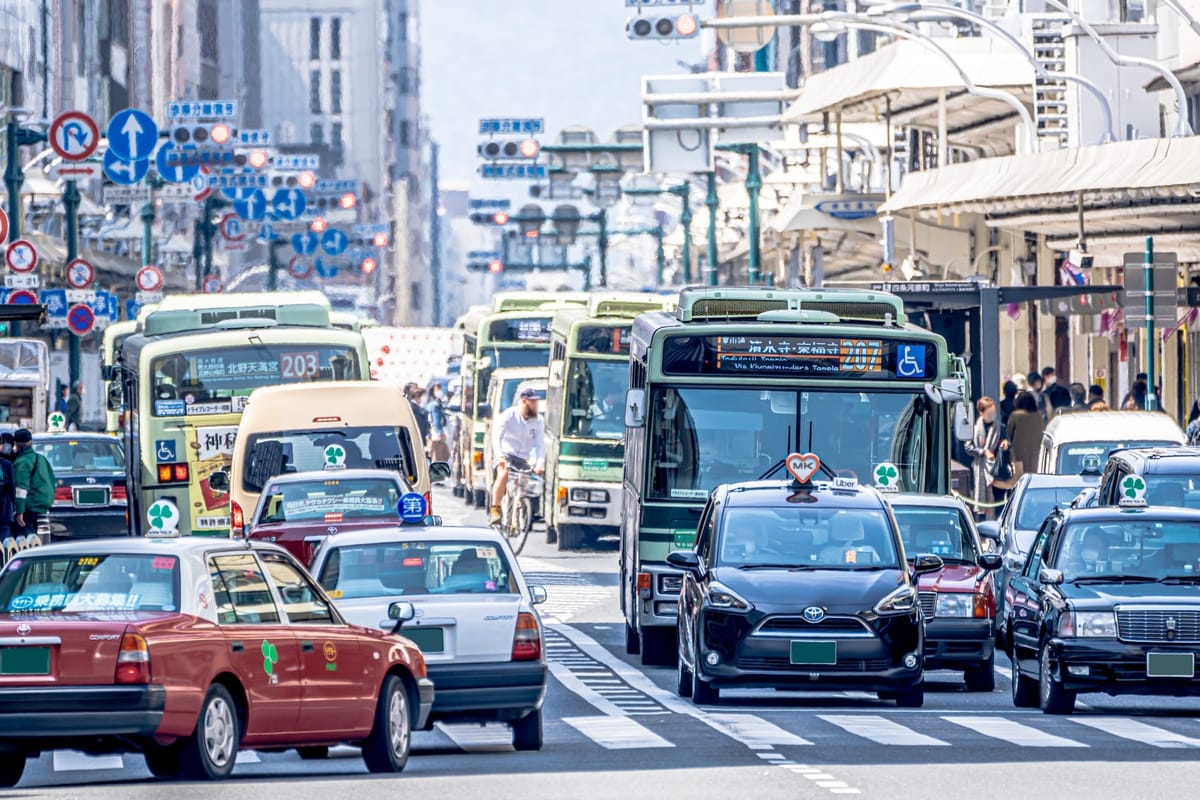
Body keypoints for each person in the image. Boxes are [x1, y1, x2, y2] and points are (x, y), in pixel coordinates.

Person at [489, 387, 545, 525]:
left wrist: (539, 464)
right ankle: (495, 509)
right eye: (532, 402)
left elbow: (540, 445)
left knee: (522, 488)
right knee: (503, 474)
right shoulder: (509, 415)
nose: (535, 405)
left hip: (523, 458)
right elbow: (496, 437)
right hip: (505, 454)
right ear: (524, 402)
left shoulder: (538, 420)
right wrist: (500, 456)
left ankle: (519, 512)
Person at [963, 397, 1008, 520]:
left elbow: (1007, 440)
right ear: (981, 413)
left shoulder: (1001, 427)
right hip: (980, 468)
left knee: (998, 501)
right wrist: (983, 452)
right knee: (980, 501)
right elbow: (968, 447)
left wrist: (1005, 443)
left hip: (996, 470)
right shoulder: (974, 428)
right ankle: (982, 532)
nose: (993, 415)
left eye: (994, 412)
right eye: (989, 413)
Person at [11, 429, 54, 537]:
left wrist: (19, 512)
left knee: (24, 537)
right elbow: (52, 480)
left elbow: (21, 489)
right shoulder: (41, 458)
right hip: (42, 504)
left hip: (29, 506)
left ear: (15, 444)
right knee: (34, 535)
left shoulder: (22, 462)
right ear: (31, 442)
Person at [1006, 391, 1044, 480]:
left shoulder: (1016, 415)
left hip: (1018, 455)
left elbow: (1008, 434)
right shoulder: (1038, 415)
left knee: (1018, 481)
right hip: (1035, 453)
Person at [425, 383, 451, 462]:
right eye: (437, 390)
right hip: (436, 435)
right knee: (438, 456)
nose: (440, 392)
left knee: (435, 455)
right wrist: (440, 433)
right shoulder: (435, 405)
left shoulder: (430, 404)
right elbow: (436, 421)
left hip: (432, 434)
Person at [404, 383, 431, 448]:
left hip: (420, 439)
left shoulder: (419, 407)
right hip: (415, 439)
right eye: (414, 388)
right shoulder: (411, 406)